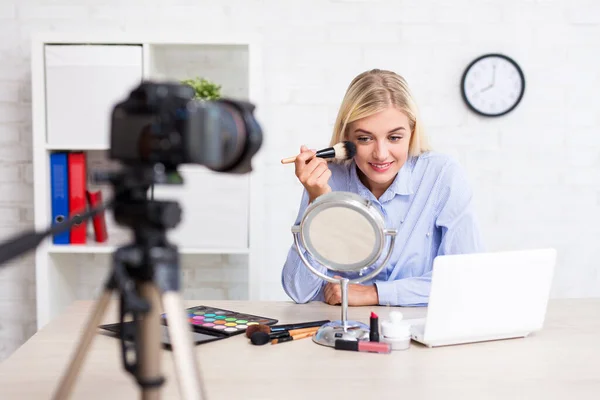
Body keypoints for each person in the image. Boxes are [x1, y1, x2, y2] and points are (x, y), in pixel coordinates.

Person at [281, 68, 485, 307]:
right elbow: (298, 291)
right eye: (365, 138)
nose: (381, 154)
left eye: (395, 138)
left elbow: (468, 278)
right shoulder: (327, 179)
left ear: (412, 132)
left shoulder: (442, 176)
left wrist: (374, 294)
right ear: (346, 137)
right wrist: (319, 205)